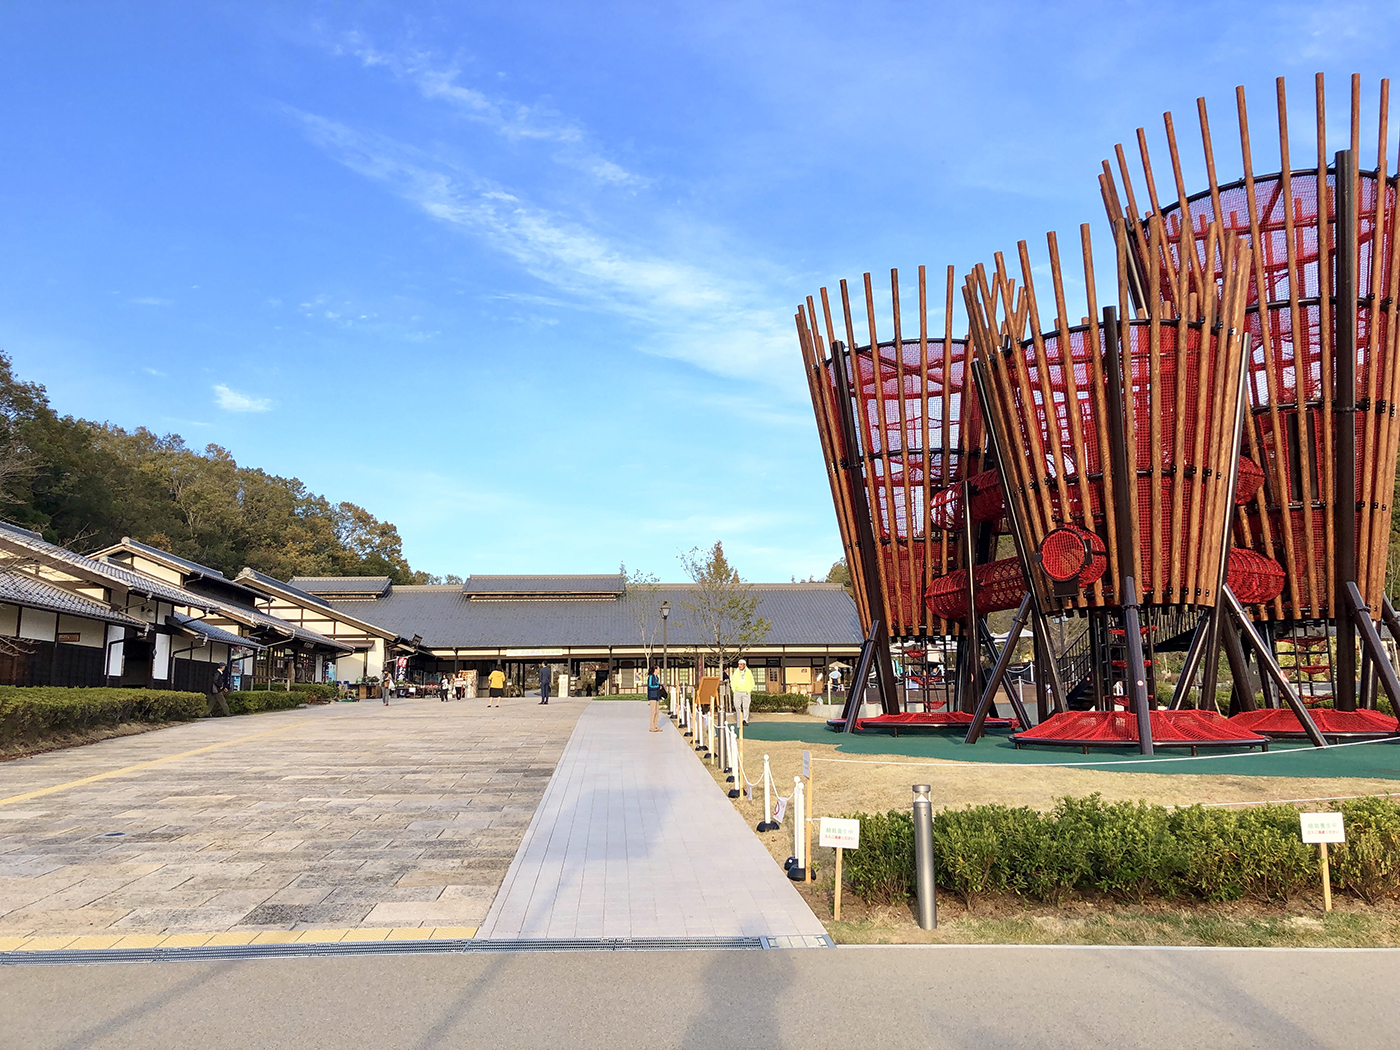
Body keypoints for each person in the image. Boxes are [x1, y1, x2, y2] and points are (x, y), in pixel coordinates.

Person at [731, 659, 756, 726]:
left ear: (744, 665)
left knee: (746, 706)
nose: (740, 666)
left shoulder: (748, 672)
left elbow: (752, 681)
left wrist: (749, 689)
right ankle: (739, 720)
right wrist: (734, 689)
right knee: (737, 706)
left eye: (741, 664)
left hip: (746, 692)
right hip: (737, 691)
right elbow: (733, 681)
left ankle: (745, 720)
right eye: (739, 664)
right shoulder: (736, 672)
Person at [646, 666, 662, 732]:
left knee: (656, 712)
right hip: (652, 696)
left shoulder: (656, 678)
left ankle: (656, 726)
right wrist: (657, 686)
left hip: (657, 696)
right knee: (653, 712)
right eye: (658, 669)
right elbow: (650, 686)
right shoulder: (651, 677)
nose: (659, 670)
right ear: (655, 670)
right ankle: (651, 727)